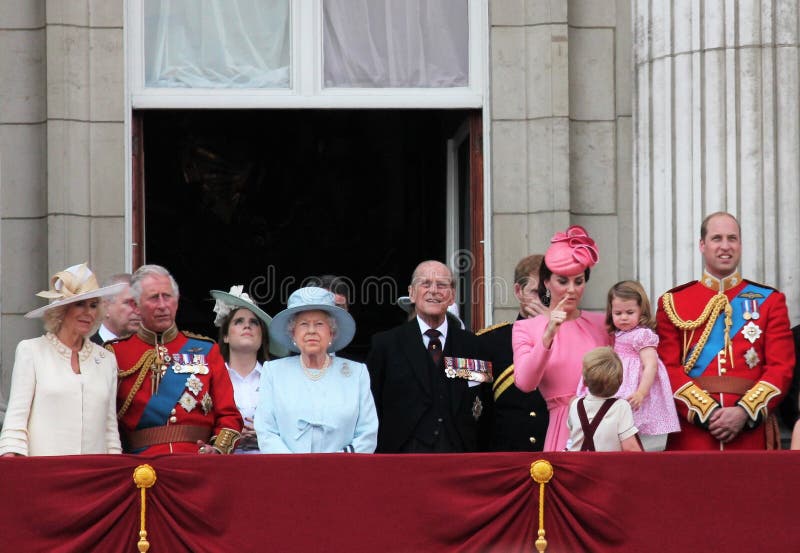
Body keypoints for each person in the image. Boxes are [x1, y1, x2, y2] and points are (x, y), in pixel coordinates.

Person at [656, 212, 795, 450]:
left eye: (732, 238)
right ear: (702, 245)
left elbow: (781, 367)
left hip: (749, 435)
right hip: (692, 435)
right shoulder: (673, 302)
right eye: (716, 238)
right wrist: (706, 412)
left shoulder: (770, 301)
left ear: (740, 244)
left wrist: (744, 411)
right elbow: (667, 368)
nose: (725, 246)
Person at [111, 265, 243, 454]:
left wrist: (217, 450)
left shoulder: (207, 350)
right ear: (135, 305)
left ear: (177, 300)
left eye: (167, 296)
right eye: (154, 298)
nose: (162, 305)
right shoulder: (115, 353)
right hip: (140, 464)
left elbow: (229, 415)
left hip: (196, 460)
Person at [367, 260, 493, 453]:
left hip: (460, 456)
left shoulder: (474, 346)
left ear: (452, 296)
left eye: (441, 285)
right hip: (403, 457)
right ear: (411, 293)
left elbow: (484, 404)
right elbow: (372, 407)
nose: (434, 291)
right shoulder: (385, 345)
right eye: (425, 284)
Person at [0, 263, 123, 456]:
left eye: (93, 305)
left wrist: (115, 466)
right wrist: (11, 459)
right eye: (80, 304)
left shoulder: (106, 360)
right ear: (62, 310)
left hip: (95, 470)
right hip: (46, 468)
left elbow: (110, 430)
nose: (88, 312)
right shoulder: (31, 351)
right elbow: (16, 419)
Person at [512, 225, 610, 451]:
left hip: (605, 424)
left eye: (579, 281)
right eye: (563, 281)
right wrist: (548, 334)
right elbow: (525, 382)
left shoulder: (602, 324)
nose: (572, 289)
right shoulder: (526, 328)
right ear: (546, 282)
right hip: (563, 428)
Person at [254, 287, 378, 453]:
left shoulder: (357, 373)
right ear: (293, 333)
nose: (311, 331)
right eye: (304, 324)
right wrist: (293, 464)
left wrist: (336, 462)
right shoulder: (273, 372)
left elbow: (368, 433)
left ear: (331, 333)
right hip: (288, 467)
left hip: (342, 466)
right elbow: (266, 431)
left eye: (319, 324)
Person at [578, 280, 680, 451]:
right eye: (618, 313)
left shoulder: (642, 335)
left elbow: (651, 365)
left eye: (630, 312)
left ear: (641, 310)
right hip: (620, 381)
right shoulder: (617, 334)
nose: (623, 317)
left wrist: (641, 392)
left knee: (635, 424)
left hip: (638, 386)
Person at [475, 254, 549, 451]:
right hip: (506, 455)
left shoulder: (568, 338)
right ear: (518, 291)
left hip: (556, 451)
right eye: (536, 292)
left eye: (548, 293)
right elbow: (477, 406)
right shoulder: (489, 342)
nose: (543, 300)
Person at [211, 285, 281, 454]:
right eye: (239, 321)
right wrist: (228, 438)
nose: (247, 326)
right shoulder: (210, 377)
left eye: (254, 322)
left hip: (269, 463)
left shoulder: (279, 378)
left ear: (262, 336)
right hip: (222, 464)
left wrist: (266, 436)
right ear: (226, 336)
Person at [566, 347, 642, 452]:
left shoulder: (575, 404)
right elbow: (630, 447)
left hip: (577, 461)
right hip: (606, 462)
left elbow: (572, 437)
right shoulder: (621, 407)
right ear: (620, 382)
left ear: (584, 382)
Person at [90, 273, 141, 345]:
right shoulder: (85, 350)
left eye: (140, 303)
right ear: (105, 307)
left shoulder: (151, 349)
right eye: (129, 303)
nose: (139, 311)